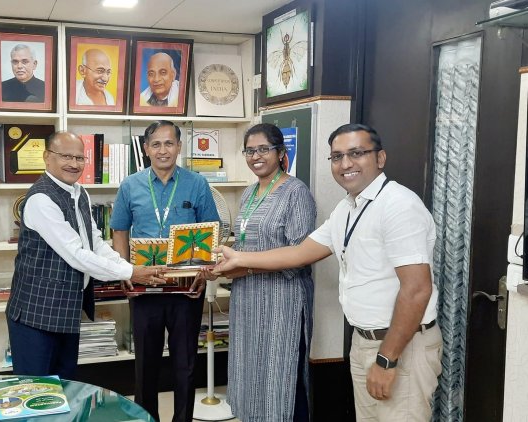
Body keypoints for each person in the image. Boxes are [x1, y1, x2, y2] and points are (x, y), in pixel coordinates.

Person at [214, 123, 442, 421]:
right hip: (365, 341)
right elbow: (299, 252)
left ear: (380, 158)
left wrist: (387, 359)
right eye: (337, 157)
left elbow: (417, 290)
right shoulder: (348, 208)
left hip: (400, 345)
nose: (345, 164)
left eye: (356, 153)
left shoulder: (399, 206)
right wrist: (238, 258)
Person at [6, 131, 165, 380]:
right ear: (47, 157)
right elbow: (76, 254)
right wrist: (132, 272)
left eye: (80, 158)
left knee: (65, 385)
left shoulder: (80, 192)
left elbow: (94, 241)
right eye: (65, 156)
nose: (74, 163)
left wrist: (124, 266)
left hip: (67, 310)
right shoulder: (40, 199)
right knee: (36, 392)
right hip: (36, 314)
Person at [200, 123, 316, 421]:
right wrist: (221, 270)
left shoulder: (296, 192)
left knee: (281, 377)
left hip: (282, 303)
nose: (256, 156)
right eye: (250, 150)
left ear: (280, 152)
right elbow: (242, 249)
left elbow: (299, 256)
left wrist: (240, 263)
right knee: (250, 374)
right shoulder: (250, 192)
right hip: (247, 302)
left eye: (263, 149)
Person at [110, 120, 220, 422]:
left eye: (169, 143)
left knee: (185, 364)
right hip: (145, 288)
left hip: (186, 289)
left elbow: (210, 231)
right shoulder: (130, 185)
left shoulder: (196, 183)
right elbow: (119, 230)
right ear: (146, 149)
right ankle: (148, 419)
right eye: (155, 144)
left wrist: (203, 273)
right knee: (145, 363)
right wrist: (126, 271)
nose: (163, 150)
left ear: (179, 147)